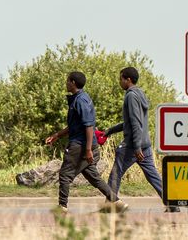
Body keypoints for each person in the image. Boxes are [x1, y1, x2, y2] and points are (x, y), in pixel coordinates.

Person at [45, 71, 128, 213]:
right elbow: (75, 125)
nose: (66, 83)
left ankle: (62, 207)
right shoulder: (79, 98)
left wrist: (88, 149)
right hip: (83, 144)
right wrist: (57, 135)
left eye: (67, 81)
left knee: (65, 175)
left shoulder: (81, 101)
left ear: (73, 83)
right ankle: (117, 202)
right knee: (92, 176)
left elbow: (89, 126)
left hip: (80, 145)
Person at [103, 67, 180, 213]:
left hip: (133, 145)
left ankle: (109, 205)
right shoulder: (140, 94)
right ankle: (172, 203)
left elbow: (136, 123)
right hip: (144, 143)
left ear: (128, 80)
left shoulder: (131, 96)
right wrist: (110, 131)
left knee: (116, 172)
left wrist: (136, 147)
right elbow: (131, 122)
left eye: (121, 79)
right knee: (153, 176)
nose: (120, 82)